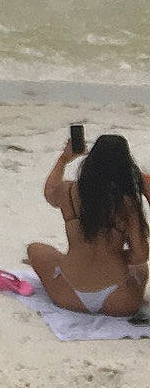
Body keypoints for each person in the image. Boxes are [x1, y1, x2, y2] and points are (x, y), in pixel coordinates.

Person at [26, 133, 148, 316]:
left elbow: (49, 192)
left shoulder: (68, 191)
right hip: (118, 301)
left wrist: (63, 159)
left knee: (35, 249)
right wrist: (117, 256)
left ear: (90, 163)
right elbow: (140, 256)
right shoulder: (126, 204)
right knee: (140, 268)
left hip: (68, 295)